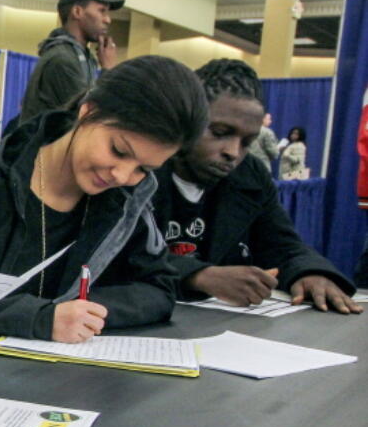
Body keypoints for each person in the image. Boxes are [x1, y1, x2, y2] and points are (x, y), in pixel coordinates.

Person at [0, 55, 208, 364]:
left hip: (48, 376)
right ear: (88, 111)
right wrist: (38, 317)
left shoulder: (123, 198)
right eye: (118, 151)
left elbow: (158, 288)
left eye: (143, 169)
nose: (121, 175)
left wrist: (81, 309)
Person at [152, 59, 360, 313]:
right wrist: (199, 275)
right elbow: (118, 254)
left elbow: (281, 245)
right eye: (219, 132)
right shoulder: (137, 166)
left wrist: (309, 272)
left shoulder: (250, 175)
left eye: (247, 142)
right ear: (185, 117)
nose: (233, 152)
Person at [17, 0, 124, 125]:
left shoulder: (83, 58)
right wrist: (108, 70)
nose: (107, 19)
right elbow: (89, 118)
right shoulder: (63, 59)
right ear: (77, 11)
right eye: (101, 10)